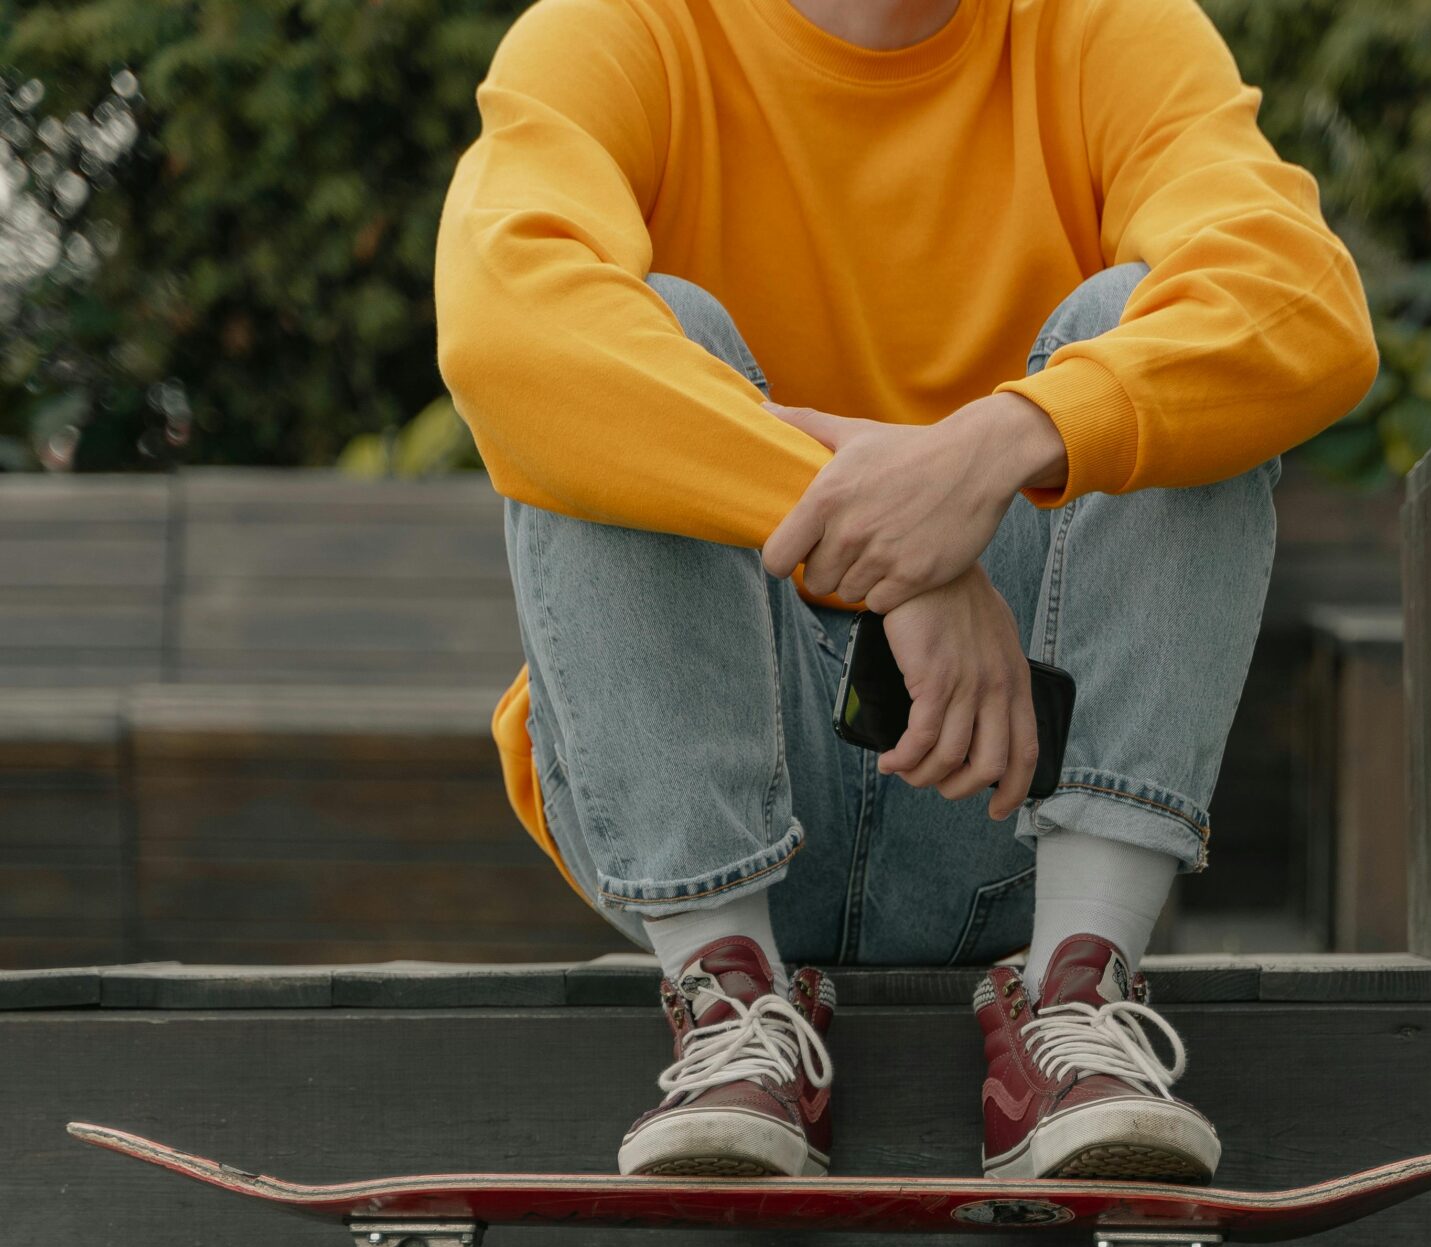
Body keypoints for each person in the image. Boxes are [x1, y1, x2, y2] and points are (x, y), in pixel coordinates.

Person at [436, 0, 1374, 1179]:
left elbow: (1303, 301)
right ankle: (727, 1015)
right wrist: (900, 557)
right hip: (690, 810)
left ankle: (1077, 1005)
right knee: (641, 335)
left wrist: (994, 450)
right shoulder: (619, 28)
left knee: (1156, 320)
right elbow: (503, 327)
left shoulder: (1108, 27)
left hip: (1013, 785)